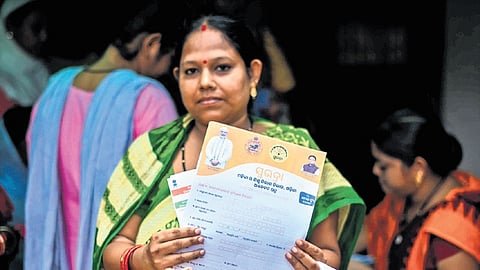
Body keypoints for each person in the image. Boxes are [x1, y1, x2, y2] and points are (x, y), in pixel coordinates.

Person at [93, 14, 366, 270]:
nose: (205, 82)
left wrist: (312, 264)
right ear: (177, 77)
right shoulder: (154, 150)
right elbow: (113, 246)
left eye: (222, 67)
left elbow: (328, 252)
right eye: (191, 71)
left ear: (253, 73)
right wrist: (143, 258)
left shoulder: (294, 150)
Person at [24, 1, 185, 269]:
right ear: (152, 44)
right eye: (171, 59)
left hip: (55, 254)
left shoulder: (54, 88)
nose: (167, 69)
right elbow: (168, 191)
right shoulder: (147, 96)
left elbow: (35, 163)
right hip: (117, 256)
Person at [348, 107, 480, 270]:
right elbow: (364, 234)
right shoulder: (402, 199)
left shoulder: (454, 231)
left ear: (418, 167)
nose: (375, 170)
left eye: (384, 166)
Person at [0, 0, 50, 268]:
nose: (43, 37)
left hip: (41, 206)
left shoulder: (43, 77)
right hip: (9, 215)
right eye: (35, 28)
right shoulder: (2, 82)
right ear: (10, 30)